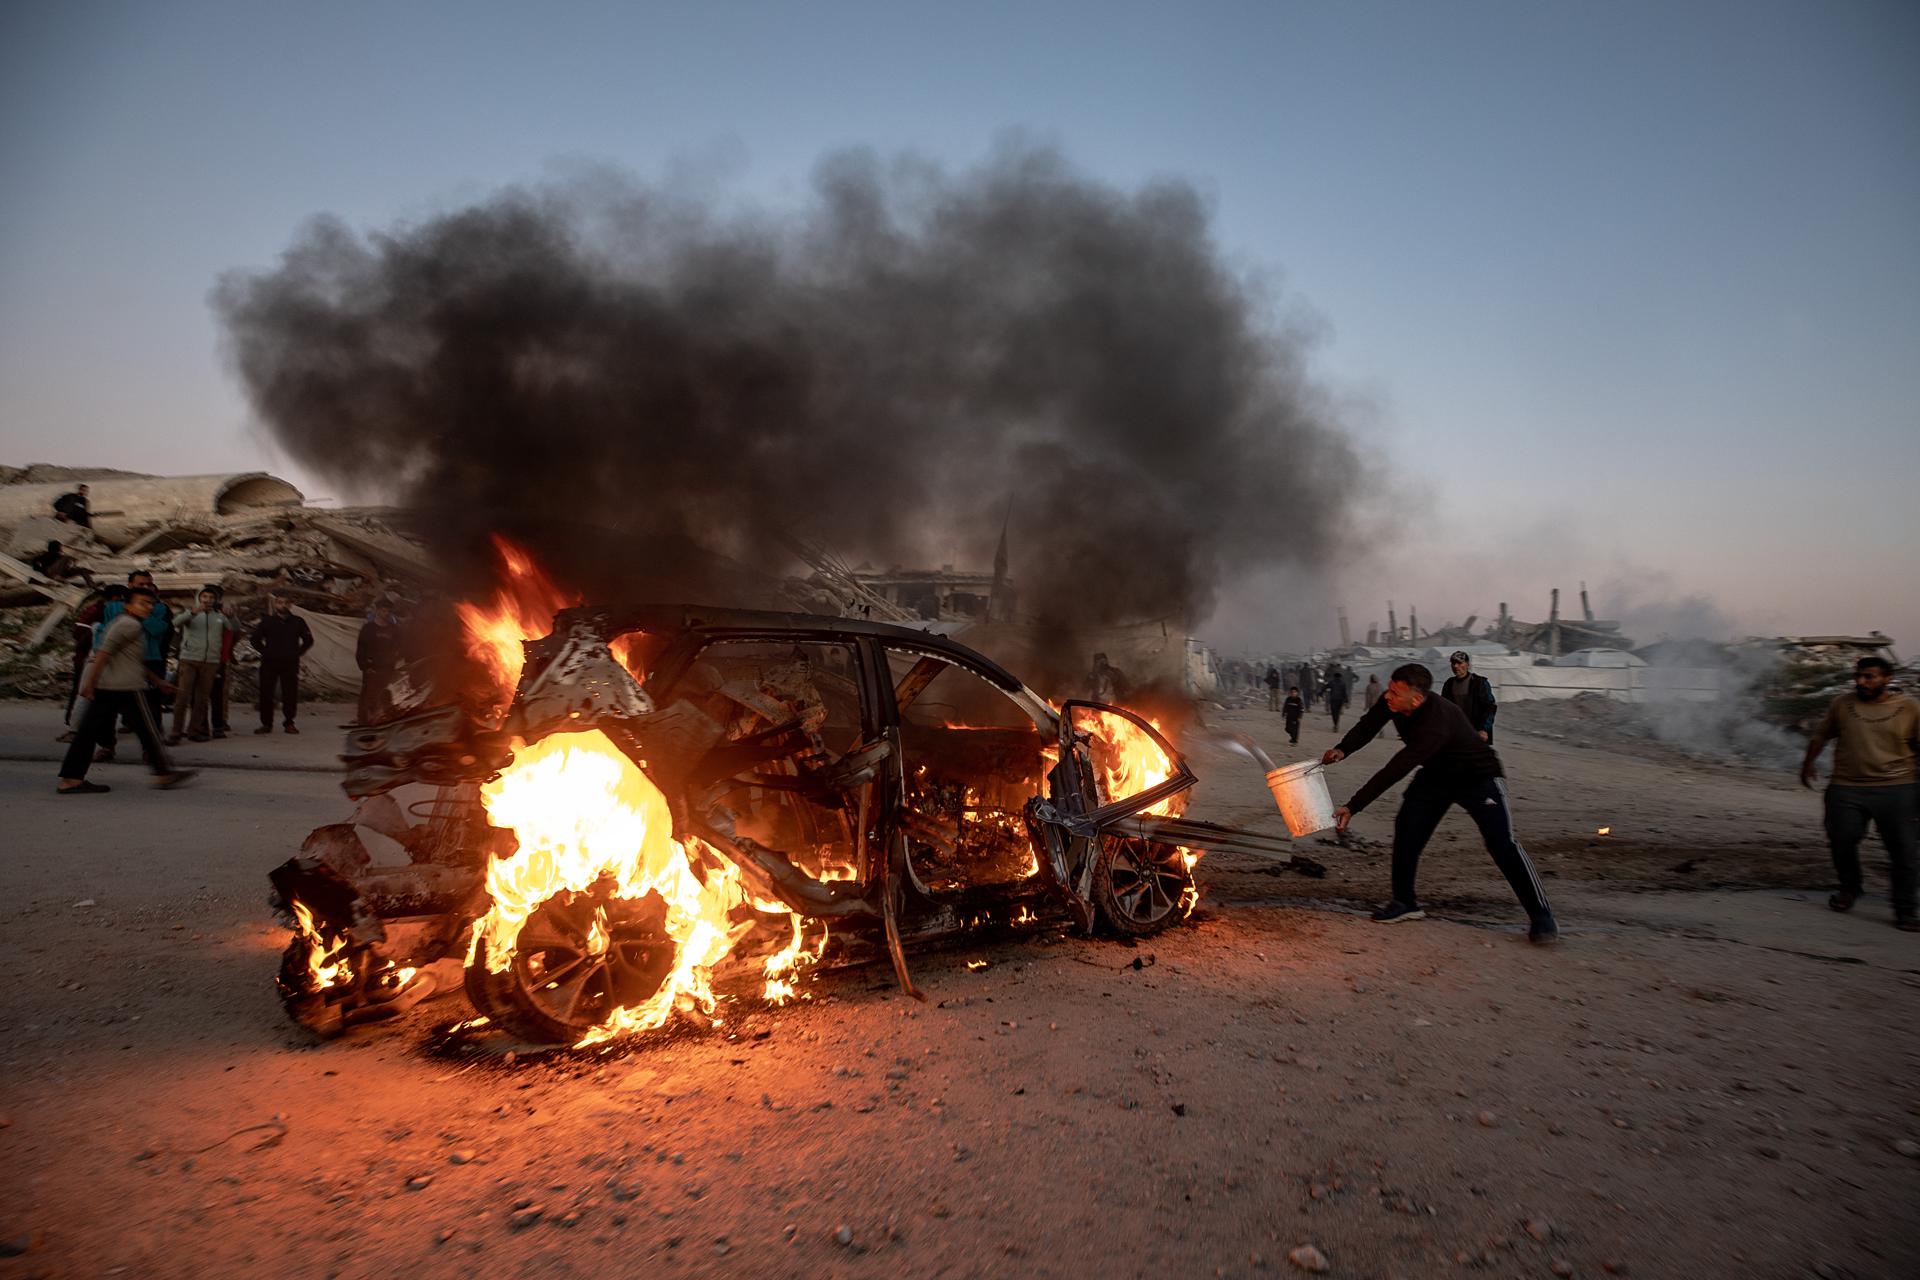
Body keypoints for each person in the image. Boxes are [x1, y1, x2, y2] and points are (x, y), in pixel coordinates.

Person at [1322, 662, 1557, 941]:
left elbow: (1397, 768)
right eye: (1389, 689)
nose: (1388, 696)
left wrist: (1354, 805)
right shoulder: (1393, 702)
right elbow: (1368, 726)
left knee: (1501, 843)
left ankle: (1541, 916)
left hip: (1477, 777)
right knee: (1407, 827)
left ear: (1416, 699)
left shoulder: (1437, 721)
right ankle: (1405, 902)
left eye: (1395, 693)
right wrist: (1342, 749)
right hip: (1436, 775)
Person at [1800, 656, 1918, 931]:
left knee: (1904, 850)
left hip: (1896, 787)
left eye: (1869, 677)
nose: (1861, 682)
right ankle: (1850, 887)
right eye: (1859, 676)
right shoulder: (1843, 704)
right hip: (1847, 786)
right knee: (1841, 839)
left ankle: (1906, 910)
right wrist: (1807, 764)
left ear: (1887, 678)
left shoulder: (1909, 707)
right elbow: (1821, 735)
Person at [56, 587, 193, 793]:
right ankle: (164, 773)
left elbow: (130, 659)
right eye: (142, 603)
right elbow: (103, 653)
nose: (148, 607)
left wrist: (157, 680)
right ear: (128, 605)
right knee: (149, 732)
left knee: (87, 733)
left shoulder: (123, 622)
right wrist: (88, 683)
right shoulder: (129, 625)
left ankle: (70, 779)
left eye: (150, 603)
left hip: (108, 686)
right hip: (127, 687)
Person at [168, 586, 228, 744]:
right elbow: (174, 623)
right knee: (182, 697)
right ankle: (176, 731)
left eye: (211, 598)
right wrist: (192, 613)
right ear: (199, 598)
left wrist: (232, 616)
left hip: (210, 661)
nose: (207, 600)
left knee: (202, 699)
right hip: (189, 659)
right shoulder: (189, 613)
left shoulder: (219, 616)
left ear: (215, 600)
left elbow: (232, 627)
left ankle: (194, 730)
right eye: (204, 597)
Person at [252, 593, 314, 734]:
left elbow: (308, 640)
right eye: (280, 602)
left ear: (290, 605)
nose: (283, 605)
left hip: (290, 663)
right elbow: (254, 639)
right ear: (275, 604)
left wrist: (297, 653)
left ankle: (289, 723)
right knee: (266, 693)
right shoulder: (267, 621)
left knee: (290, 693)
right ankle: (266, 724)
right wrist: (265, 652)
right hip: (269, 663)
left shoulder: (298, 621)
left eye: (286, 602)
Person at [355, 597, 404, 723]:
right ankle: (364, 721)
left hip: (387, 668)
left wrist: (394, 661)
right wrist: (365, 666)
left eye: (388, 611)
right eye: (383, 611)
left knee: (386, 694)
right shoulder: (368, 629)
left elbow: (399, 647)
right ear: (377, 611)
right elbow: (361, 649)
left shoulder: (394, 630)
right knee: (368, 695)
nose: (386, 614)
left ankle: (384, 720)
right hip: (372, 667)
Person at [1441, 650, 1497, 743]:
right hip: (1455, 734)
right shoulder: (1449, 684)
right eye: (1453, 663)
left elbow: (1490, 707)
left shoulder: (1479, 683)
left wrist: (1484, 729)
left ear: (1467, 664)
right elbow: (1443, 709)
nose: (1456, 666)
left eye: (1459, 663)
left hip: (1476, 733)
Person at [209, 587, 237, 738]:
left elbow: (235, 630)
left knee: (219, 694)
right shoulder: (197, 612)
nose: (211, 600)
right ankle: (199, 725)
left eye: (215, 596)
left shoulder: (226, 612)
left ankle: (220, 723)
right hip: (200, 658)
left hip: (221, 659)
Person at [1326, 666, 1351, 732]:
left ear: (1334, 677)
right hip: (1340, 700)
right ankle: (1336, 724)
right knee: (1337, 713)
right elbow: (1344, 693)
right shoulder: (1343, 683)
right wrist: (1346, 701)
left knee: (1334, 713)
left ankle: (1335, 724)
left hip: (1333, 699)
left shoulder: (1331, 682)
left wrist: (1320, 693)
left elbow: (1325, 687)